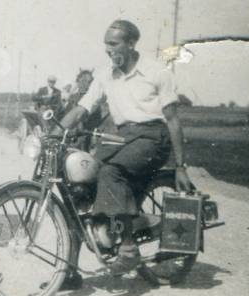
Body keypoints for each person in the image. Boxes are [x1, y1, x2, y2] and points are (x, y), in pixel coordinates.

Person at [59, 19, 193, 275]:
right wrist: (54, 132)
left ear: (131, 44)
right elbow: (82, 108)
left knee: (111, 172)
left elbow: (173, 120)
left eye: (113, 44)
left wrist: (180, 166)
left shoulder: (157, 72)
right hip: (123, 137)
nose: (108, 50)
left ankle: (129, 249)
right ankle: (69, 271)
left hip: (154, 137)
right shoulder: (105, 75)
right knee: (79, 186)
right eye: (106, 45)